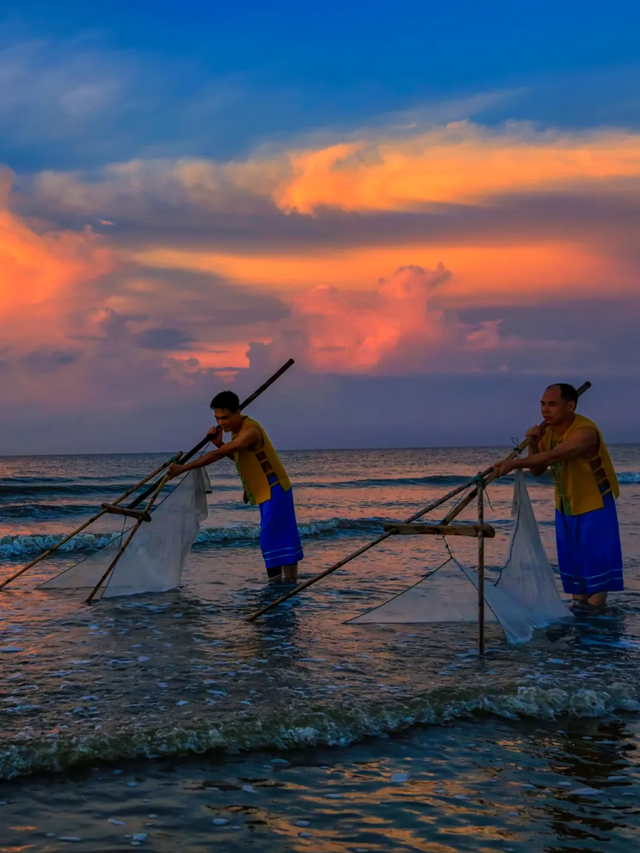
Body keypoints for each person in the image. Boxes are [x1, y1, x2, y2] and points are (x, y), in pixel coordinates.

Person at [492, 383, 622, 608]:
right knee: (575, 578)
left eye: (552, 404)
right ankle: (582, 627)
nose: (545, 410)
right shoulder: (549, 432)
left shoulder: (585, 432)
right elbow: (538, 469)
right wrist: (533, 443)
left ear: (570, 406)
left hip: (594, 505)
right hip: (566, 506)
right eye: (542, 404)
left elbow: (553, 457)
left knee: (595, 574)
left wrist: (513, 463)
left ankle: (598, 630)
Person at [167, 391, 303, 583]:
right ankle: (290, 584)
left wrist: (183, 468)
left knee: (270, 539)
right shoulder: (236, 433)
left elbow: (220, 455)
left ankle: (276, 588)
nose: (222, 423)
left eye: (225, 417)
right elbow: (238, 457)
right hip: (265, 491)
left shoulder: (250, 431)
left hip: (276, 489)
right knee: (283, 537)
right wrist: (220, 443)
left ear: (238, 412)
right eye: (217, 418)